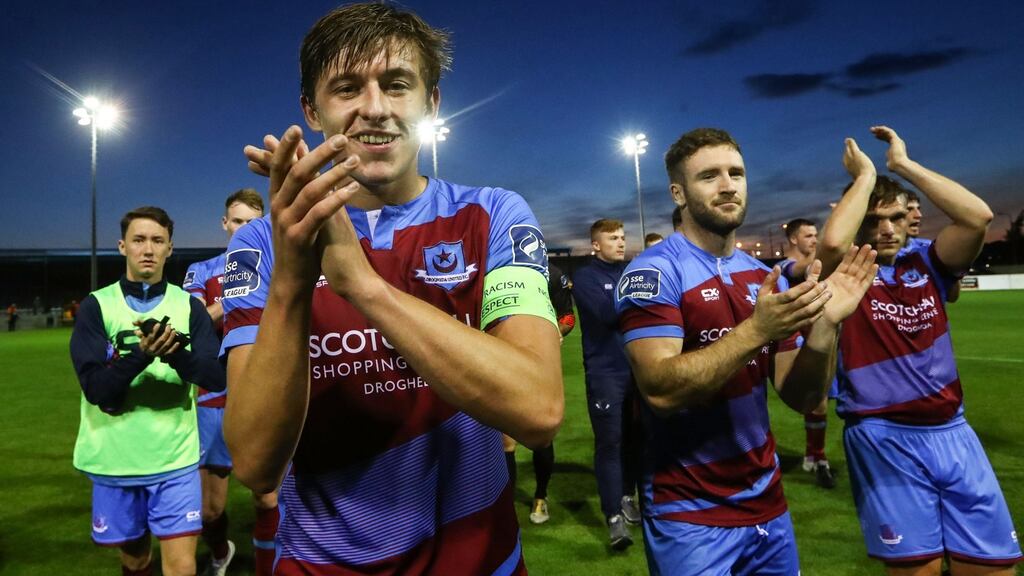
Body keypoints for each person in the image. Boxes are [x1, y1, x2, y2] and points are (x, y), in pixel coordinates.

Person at [221, 4, 563, 574]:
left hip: (479, 560)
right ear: (311, 108)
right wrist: (291, 281)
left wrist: (361, 285)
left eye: (397, 84)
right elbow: (255, 464)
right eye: (347, 87)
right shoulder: (262, 242)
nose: (374, 108)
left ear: (431, 102)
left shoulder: (493, 214)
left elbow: (539, 409)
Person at [615, 128, 877, 575]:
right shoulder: (655, 272)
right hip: (689, 512)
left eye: (736, 173)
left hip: (768, 504)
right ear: (678, 193)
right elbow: (659, 389)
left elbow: (804, 396)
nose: (728, 185)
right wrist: (757, 330)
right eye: (709, 176)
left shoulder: (760, 276)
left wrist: (827, 325)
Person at [818, 126, 1021, 575]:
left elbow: (978, 217)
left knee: (994, 568)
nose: (886, 229)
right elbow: (831, 242)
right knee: (921, 570)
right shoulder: (845, 267)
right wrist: (865, 176)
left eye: (893, 217)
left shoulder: (926, 259)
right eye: (873, 220)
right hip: (883, 433)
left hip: (954, 429)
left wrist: (902, 165)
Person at [69, 206, 225, 576]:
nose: (148, 249)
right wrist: (142, 355)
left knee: (182, 566)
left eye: (158, 240)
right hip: (114, 458)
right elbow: (96, 388)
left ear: (170, 248)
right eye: (139, 240)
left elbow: (215, 377)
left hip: (175, 459)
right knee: (136, 560)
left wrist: (173, 354)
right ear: (123, 246)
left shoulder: (189, 307)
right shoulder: (96, 306)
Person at [182, 189, 276, 576]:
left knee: (266, 499)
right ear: (225, 224)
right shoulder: (202, 271)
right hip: (212, 396)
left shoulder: (276, 265)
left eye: (251, 223)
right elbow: (194, 324)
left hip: (261, 390)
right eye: (236, 221)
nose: (242, 228)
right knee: (211, 509)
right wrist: (239, 294)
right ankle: (221, 552)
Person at [573, 218, 642, 550]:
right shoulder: (585, 277)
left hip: (637, 371)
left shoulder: (630, 273)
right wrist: (639, 298)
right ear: (596, 245)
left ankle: (629, 495)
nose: (620, 242)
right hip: (605, 375)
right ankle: (613, 515)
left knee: (634, 441)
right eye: (613, 238)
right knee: (610, 444)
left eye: (623, 236)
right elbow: (607, 314)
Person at [503, 261, 576, 525]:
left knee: (541, 434)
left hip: (540, 361)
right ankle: (506, 511)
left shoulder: (553, 274)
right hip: (503, 359)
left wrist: (555, 332)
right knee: (505, 441)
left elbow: (568, 317)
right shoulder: (494, 270)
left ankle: (540, 497)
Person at [780, 218, 837, 488]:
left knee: (821, 400)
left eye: (817, 235)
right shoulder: (784, 266)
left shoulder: (816, 264)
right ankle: (817, 455)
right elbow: (803, 268)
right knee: (816, 400)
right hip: (792, 340)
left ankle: (816, 455)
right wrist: (830, 240)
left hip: (818, 335)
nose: (814, 240)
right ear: (793, 239)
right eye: (809, 235)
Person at [905, 190, 962, 303]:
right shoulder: (875, 252)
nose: (918, 215)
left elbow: (952, 297)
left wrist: (953, 269)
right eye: (909, 209)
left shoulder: (930, 247)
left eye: (918, 208)